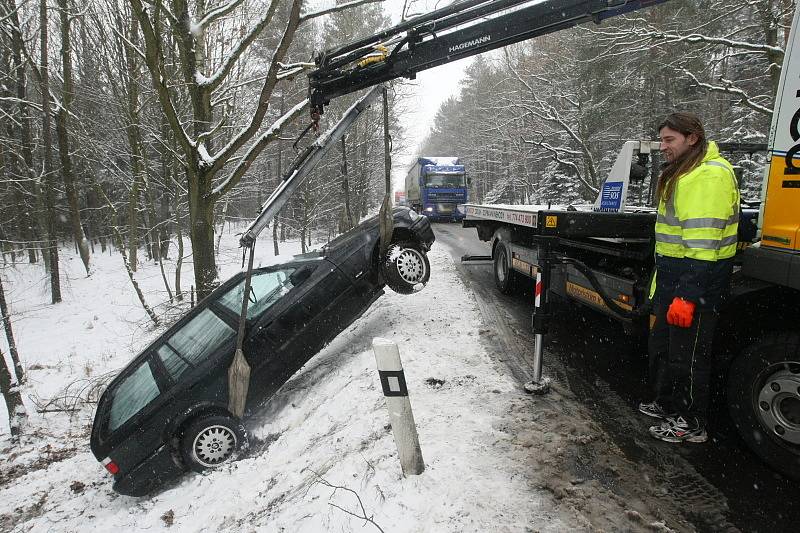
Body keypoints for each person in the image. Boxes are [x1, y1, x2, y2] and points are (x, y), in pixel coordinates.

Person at [638, 112, 739, 443]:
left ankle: (691, 422)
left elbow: (703, 245)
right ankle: (668, 405)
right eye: (662, 140)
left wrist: (688, 296)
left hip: (695, 281)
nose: (663, 147)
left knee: (689, 357)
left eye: (670, 140)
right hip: (674, 278)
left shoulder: (708, 177)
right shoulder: (686, 172)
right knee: (665, 348)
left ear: (692, 138)